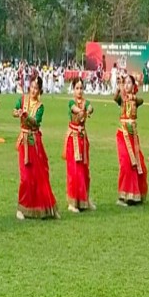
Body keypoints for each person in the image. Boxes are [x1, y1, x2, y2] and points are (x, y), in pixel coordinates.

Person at [14, 76, 59, 220]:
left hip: (35, 143)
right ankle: (22, 208)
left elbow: (35, 122)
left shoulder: (40, 107)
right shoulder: (22, 100)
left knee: (40, 175)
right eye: (32, 87)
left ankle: (44, 207)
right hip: (24, 142)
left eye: (36, 88)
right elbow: (14, 110)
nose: (33, 90)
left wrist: (26, 116)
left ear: (39, 90)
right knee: (25, 177)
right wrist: (17, 113)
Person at [63, 77, 94, 212]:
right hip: (73, 138)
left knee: (84, 170)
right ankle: (72, 203)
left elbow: (90, 107)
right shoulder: (71, 102)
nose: (79, 91)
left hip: (82, 138)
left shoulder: (86, 103)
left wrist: (89, 110)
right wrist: (81, 111)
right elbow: (74, 109)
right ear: (73, 89)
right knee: (74, 170)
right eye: (77, 88)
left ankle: (85, 199)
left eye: (81, 88)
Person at [115, 75, 147, 205]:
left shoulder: (135, 100)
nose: (127, 85)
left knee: (138, 164)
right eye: (125, 82)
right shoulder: (121, 99)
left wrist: (132, 96)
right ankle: (123, 196)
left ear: (133, 86)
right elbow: (116, 98)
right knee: (126, 163)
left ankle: (134, 195)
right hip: (122, 134)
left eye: (129, 83)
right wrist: (120, 88)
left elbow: (141, 100)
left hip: (133, 135)